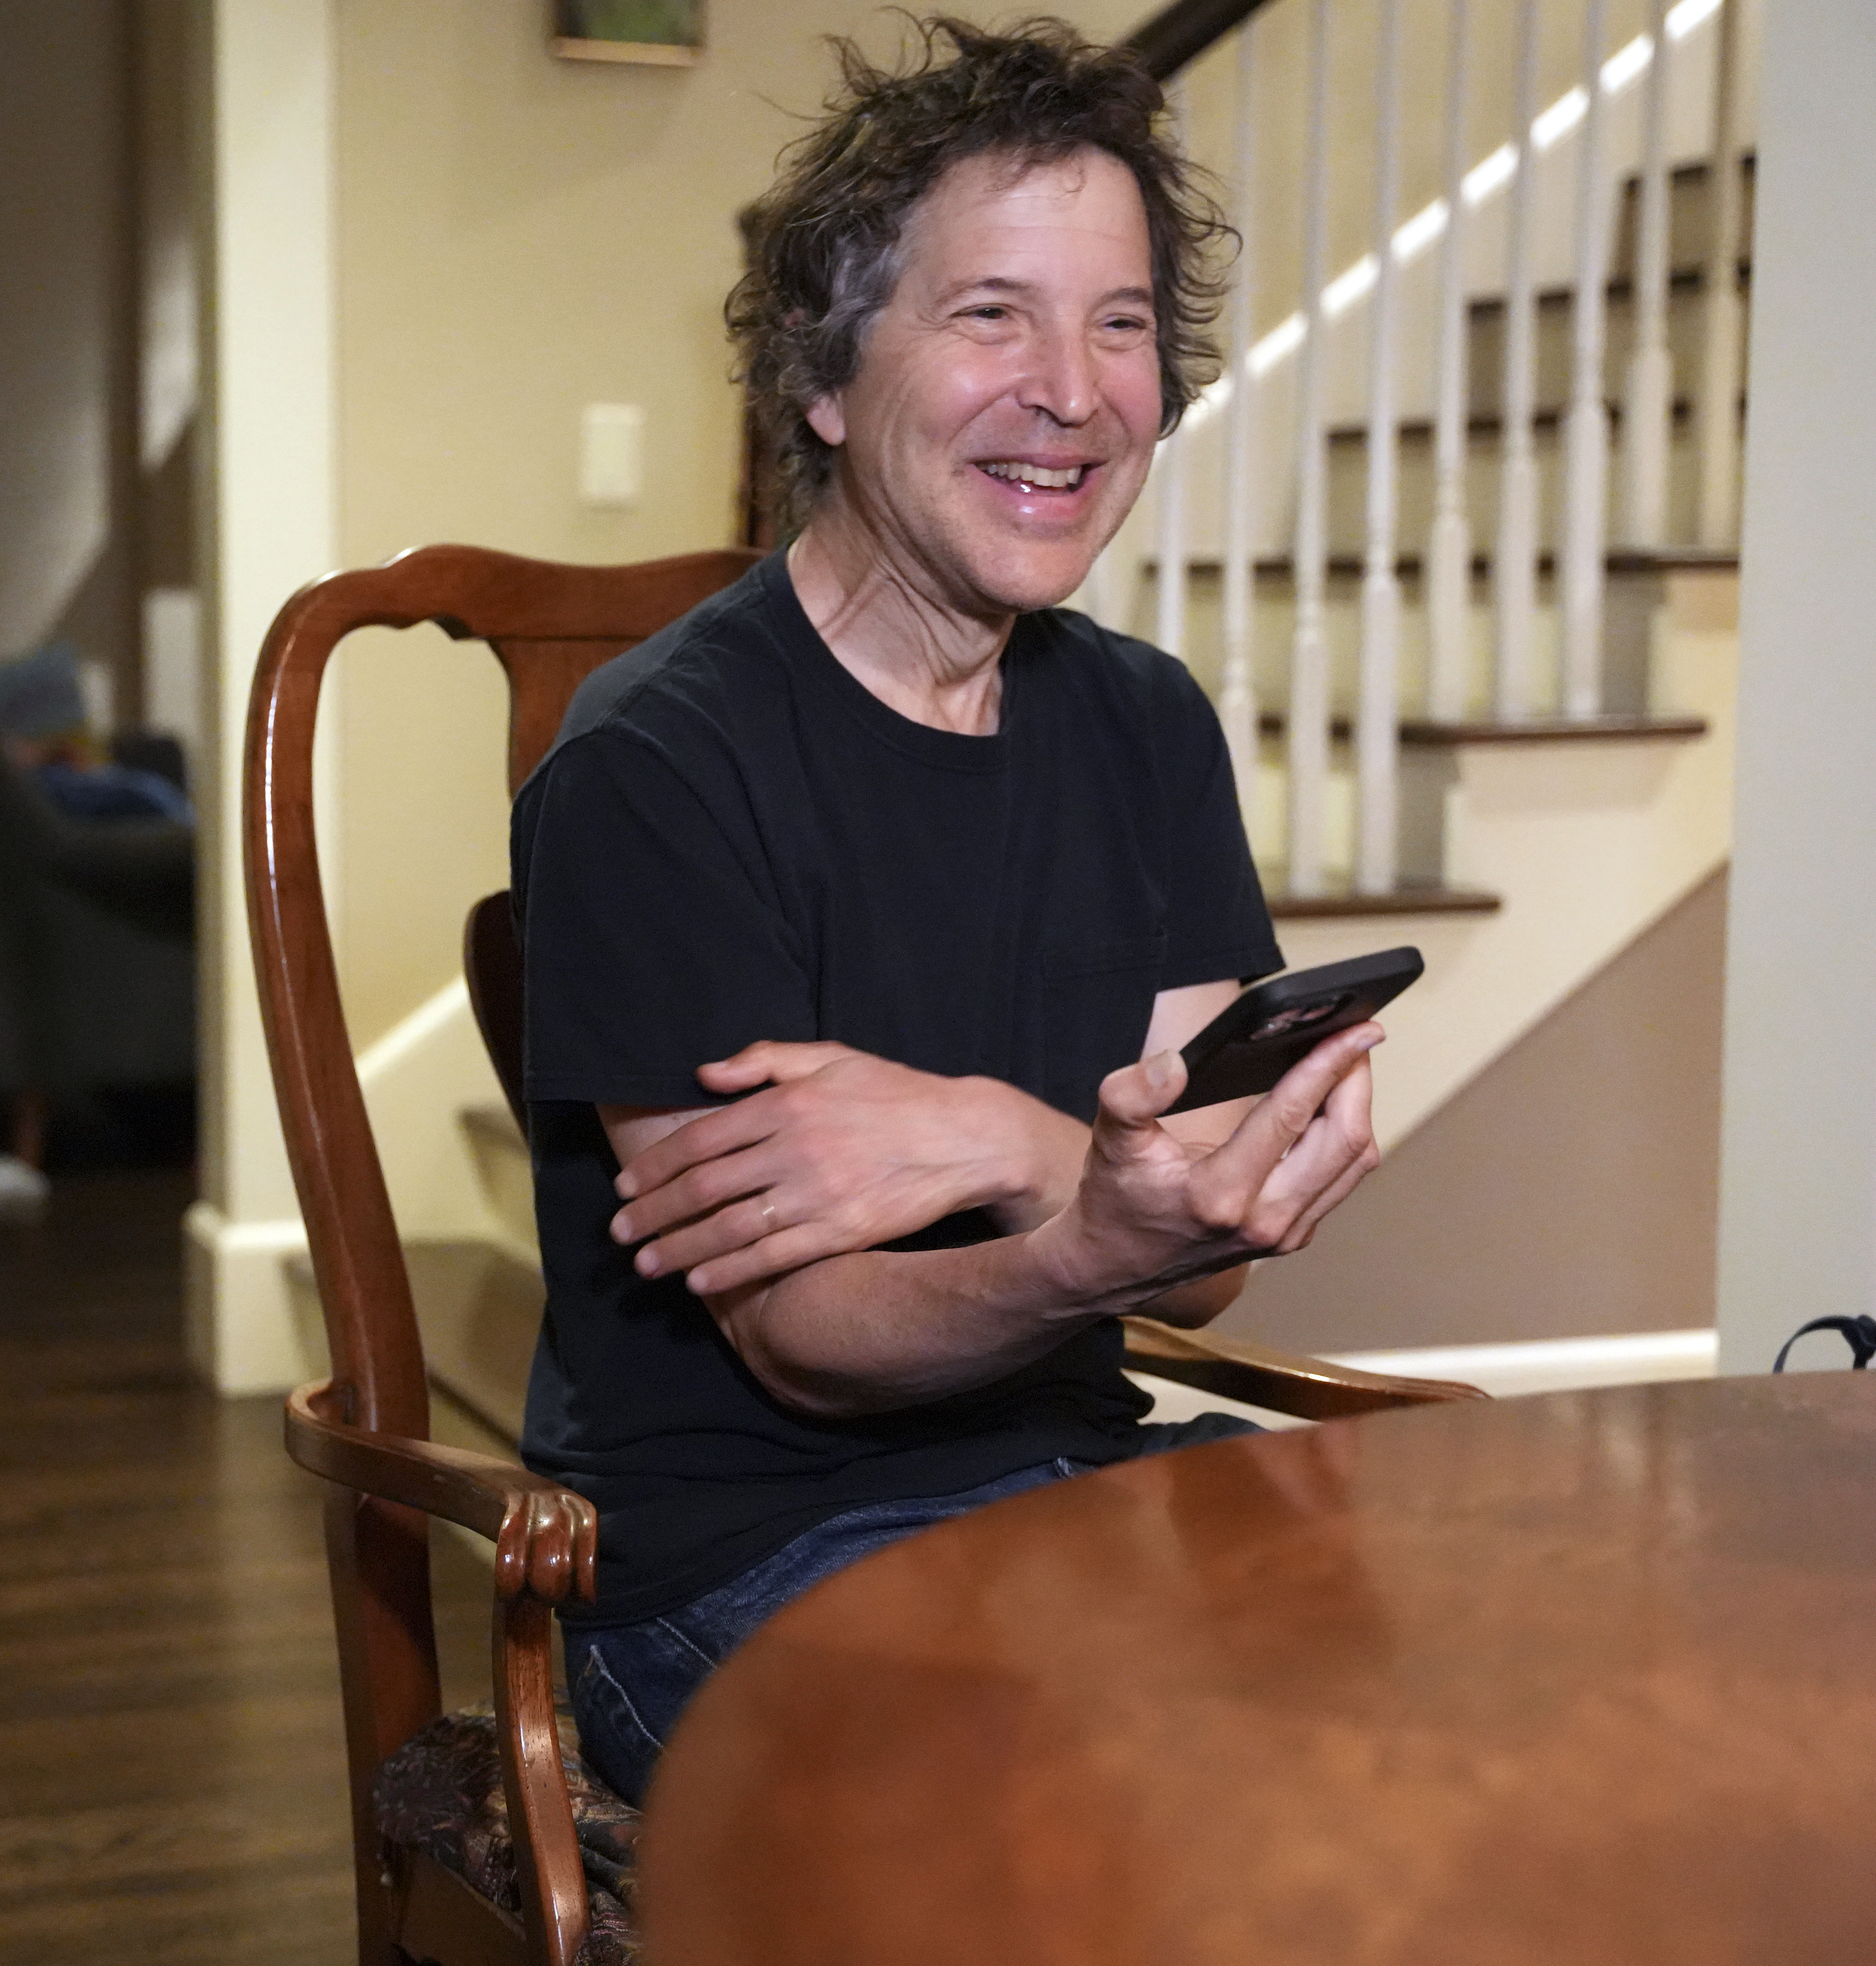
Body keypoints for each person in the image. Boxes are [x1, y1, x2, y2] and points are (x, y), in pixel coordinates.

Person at [508, 16, 1385, 1804]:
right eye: (992, 312)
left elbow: (1202, 1261)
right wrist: (1090, 1217)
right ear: (825, 379)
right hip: (732, 1560)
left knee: (1483, 1703)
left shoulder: (1145, 725)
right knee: (1141, 1801)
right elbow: (808, 1347)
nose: (1072, 388)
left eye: (1121, 320)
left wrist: (990, 1135)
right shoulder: (658, 767)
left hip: (1070, 1488)